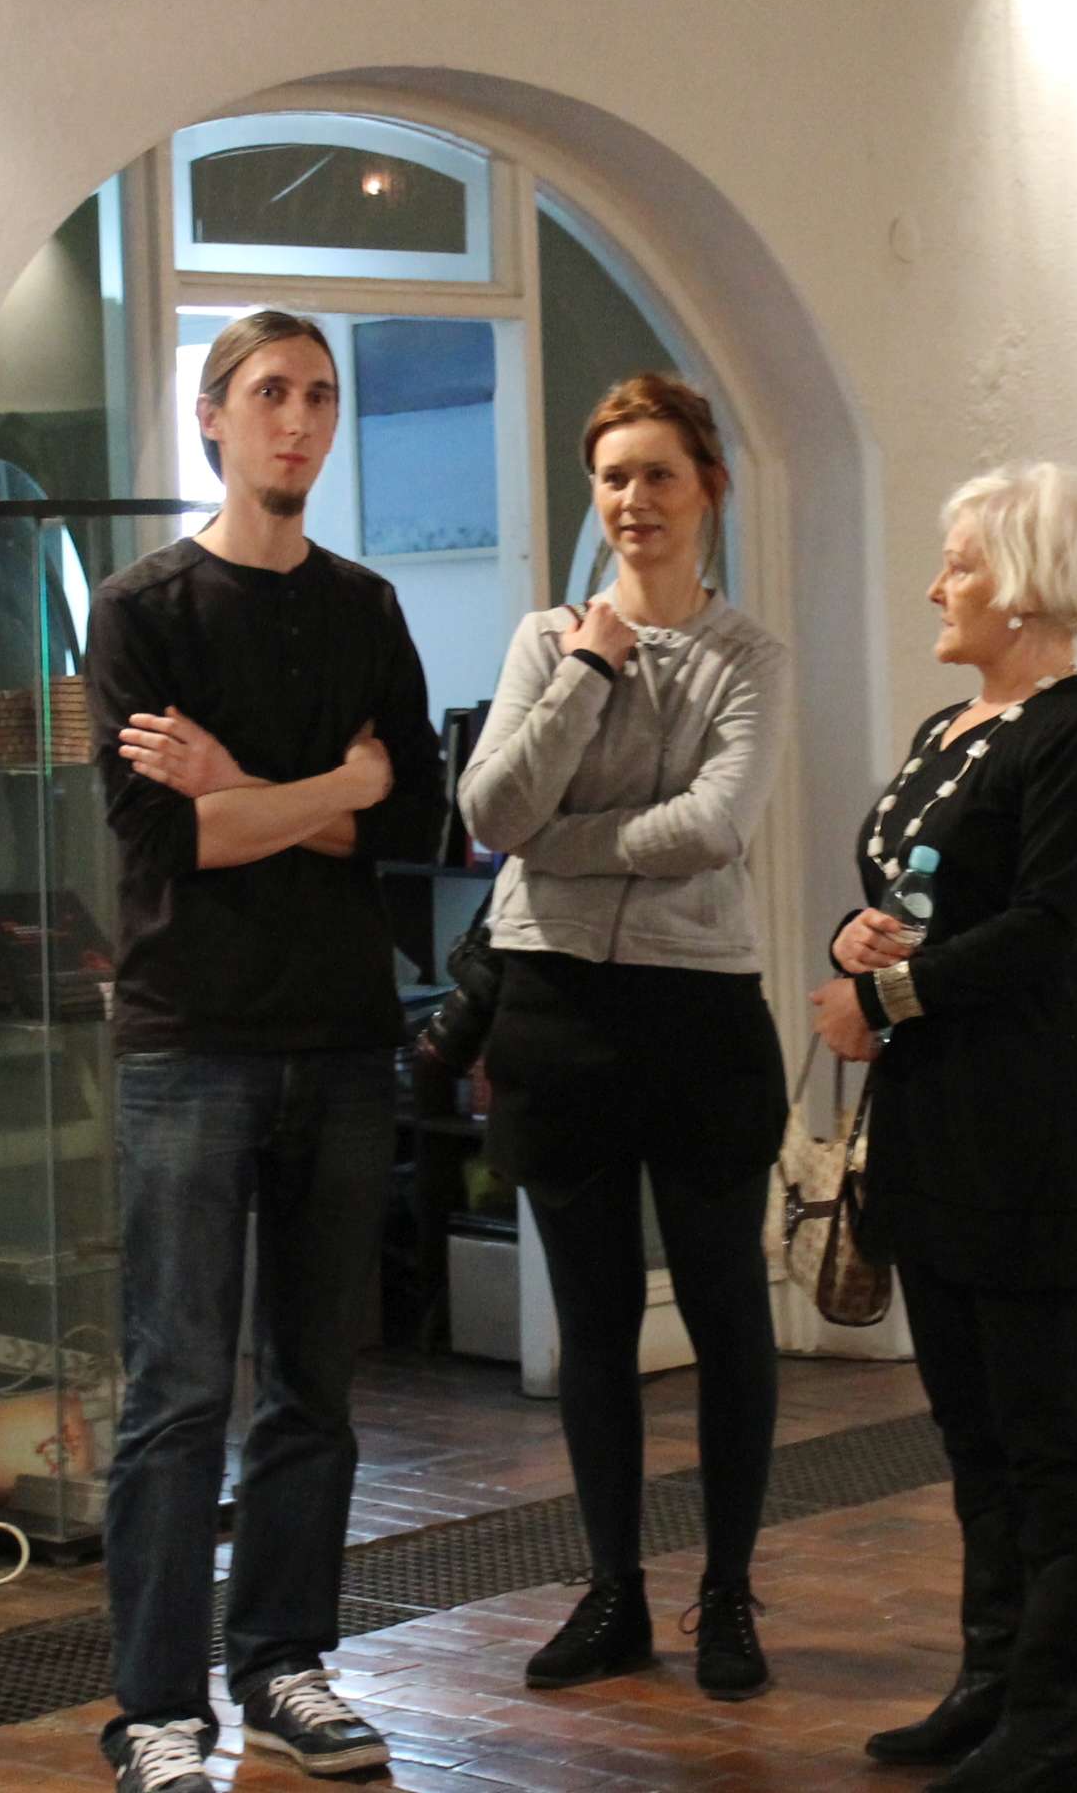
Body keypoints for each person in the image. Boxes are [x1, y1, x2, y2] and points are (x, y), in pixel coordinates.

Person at [84, 309, 447, 1791]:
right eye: (270, 394)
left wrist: (247, 786)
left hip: (345, 1039)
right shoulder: (144, 610)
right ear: (212, 417)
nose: (298, 421)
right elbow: (170, 837)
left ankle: (285, 1665)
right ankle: (157, 1710)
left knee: (314, 1386)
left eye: (320, 396)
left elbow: (416, 819)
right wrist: (329, 788)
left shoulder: (366, 607)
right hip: (191, 1044)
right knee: (177, 1393)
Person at [459, 373, 793, 1704]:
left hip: (699, 1009)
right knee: (593, 1324)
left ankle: (729, 1595)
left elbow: (716, 825)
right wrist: (589, 673)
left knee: (724, 1311)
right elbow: (492, 812)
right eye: (612, 478)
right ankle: (613, 1594)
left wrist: (563, 847)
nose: (633, 501)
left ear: (709, 486)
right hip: (554, 1012)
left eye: (658, 474)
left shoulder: (748, 656)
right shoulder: (548, 642)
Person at [807, 462, 1077, 1793]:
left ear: (1022, 583)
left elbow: (1050, 928)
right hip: (930, 1126)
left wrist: (883, 994)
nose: (936, 586)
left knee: (1047, 1443)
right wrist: (858, 937)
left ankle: (1052, 1721)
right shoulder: (949, 728)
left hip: (1028, 1136)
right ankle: (989, 1683)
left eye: (958, 564)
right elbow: (909, 894)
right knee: (971, 1437)